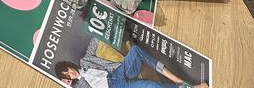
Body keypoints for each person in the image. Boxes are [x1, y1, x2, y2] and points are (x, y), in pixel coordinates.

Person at [55, 39, 208, 87]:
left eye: (67, 69)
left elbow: (95, 38)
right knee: (151, 86)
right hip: (116, 87)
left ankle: (178, 81)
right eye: (67, 75)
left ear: (69, 65)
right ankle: (184, 86)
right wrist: (68, 83)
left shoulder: (84, 60)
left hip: (118, 72)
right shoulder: (78, 86)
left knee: (135, 50)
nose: (70, 73)